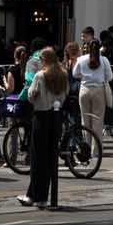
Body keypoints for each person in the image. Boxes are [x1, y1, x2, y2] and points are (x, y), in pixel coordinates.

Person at [16, 46, 69, 209]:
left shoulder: (40, 75)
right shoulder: (63, 74)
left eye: (40, 60)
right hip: (56, 116)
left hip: (41, 115)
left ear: (44, 60)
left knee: (37, 156)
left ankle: (35, 195)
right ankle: (40, 196)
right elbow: (65, 93)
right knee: (50, 157)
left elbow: (31, 95)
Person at [72, 39, 112, 145]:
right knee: (98, 121)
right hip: (99, 90)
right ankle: (95, 150)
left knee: (85, 120)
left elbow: (74, 74)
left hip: (84, 89)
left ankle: (86, 147)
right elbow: (110, 77)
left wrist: (83, 76)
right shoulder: (104, 60)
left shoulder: (81, 59)